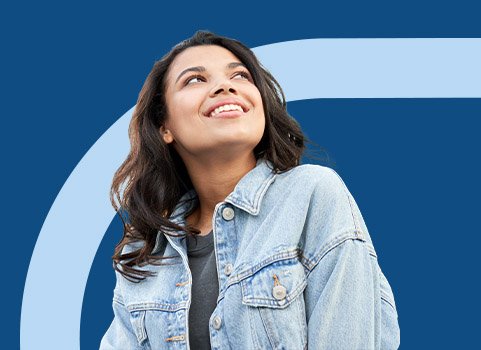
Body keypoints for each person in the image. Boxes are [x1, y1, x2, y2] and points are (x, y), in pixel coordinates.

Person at [100, 30, 400, 350]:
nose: (225, 86)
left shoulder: (313, 196)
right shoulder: (141, 251)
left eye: (240, 75)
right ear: (165, 126)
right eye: (194, 80)